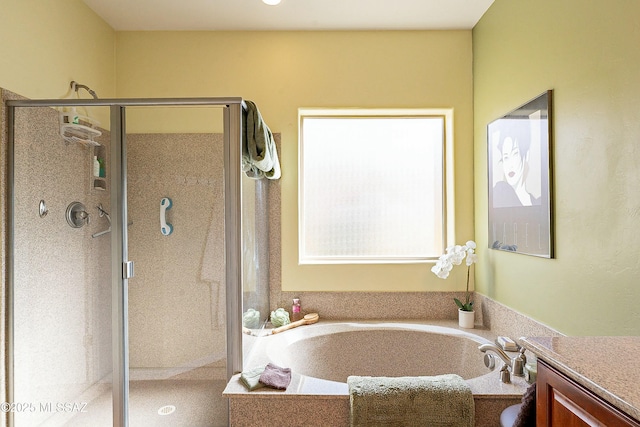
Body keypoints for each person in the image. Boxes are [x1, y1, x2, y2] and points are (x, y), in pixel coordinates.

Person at [492, 120, 540, 208]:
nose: (510, 165)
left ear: (527, 155)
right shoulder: (499, 191)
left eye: (515, 154)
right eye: (506, 157)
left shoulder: (537, 202)